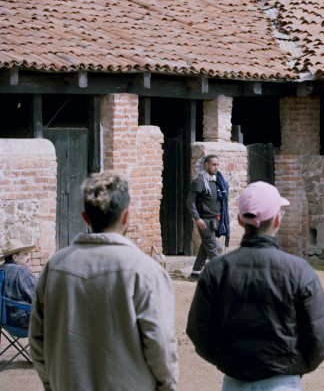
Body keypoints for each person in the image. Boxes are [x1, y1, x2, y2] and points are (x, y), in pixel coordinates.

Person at [30, 171, 178, 391]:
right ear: (126, 216)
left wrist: (52, 383)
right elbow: (160, 346)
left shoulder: (55, 267)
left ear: (85, 218)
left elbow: (37, 342)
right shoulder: (146, 272)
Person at [187, 181, 324, 391]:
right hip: (283, 381)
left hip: (234, 382)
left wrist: (227, 361)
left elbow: (199, 331)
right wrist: (292, 365)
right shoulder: (299, 271)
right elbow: (320, 334)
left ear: (239, 220)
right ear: (277, 220)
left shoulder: (216, 270)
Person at [186, 154, 227, 281]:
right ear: (206, 164)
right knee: (212, 249)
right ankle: (221, 277)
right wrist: (197, 218)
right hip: (205, 221)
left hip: (215, 219)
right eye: (213, 165)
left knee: (205, 247)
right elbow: (190, 201)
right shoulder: (200, 181)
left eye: (217, 165)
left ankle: (195, 274)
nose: (216, 167)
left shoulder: (217, 180)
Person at [0, 238, 37, 329]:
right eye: (25, 254)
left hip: (4, 320)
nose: (29, 257)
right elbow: (39, 298)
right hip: (22, 320)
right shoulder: (21, 270)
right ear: (14, 257)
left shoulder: (1, 269)